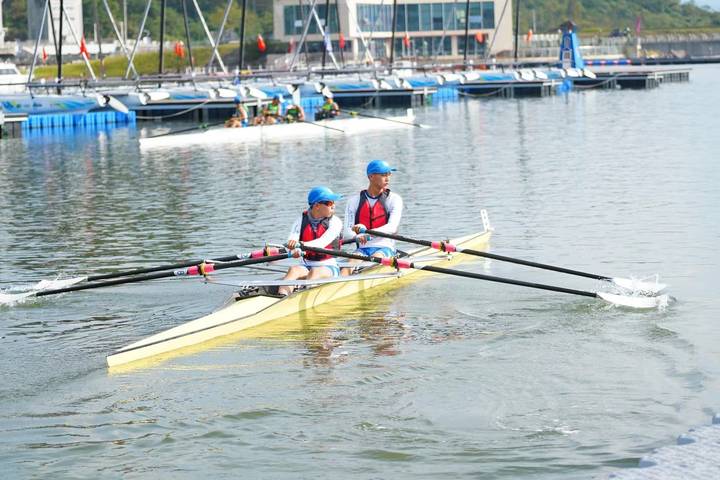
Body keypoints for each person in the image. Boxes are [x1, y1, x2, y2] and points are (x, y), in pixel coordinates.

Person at [341, 159, 403, 275]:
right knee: (346, 268)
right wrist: (358, 235)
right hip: (362, 249)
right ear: (371, 177)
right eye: (383, 175)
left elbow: (392, 227)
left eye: (389, 174)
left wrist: (368, 233)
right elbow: (347, 233)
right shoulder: (354, 201)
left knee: (373, 262)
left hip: (385, 248)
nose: (388, 178)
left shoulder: (394, 199)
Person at [279, 186, 344, 296]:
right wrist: (293, 248)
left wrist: (301, 245)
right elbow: (292, 239)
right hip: (306, 265)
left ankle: (304, 298)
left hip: (328, 266)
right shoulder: (301, 220)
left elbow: (322, 242)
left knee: (315, 272)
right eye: (329, 202)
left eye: (333, 202)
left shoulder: (336, 222)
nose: (333, 205)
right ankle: (281, 296)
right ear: (317, 205)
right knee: (293, 270)